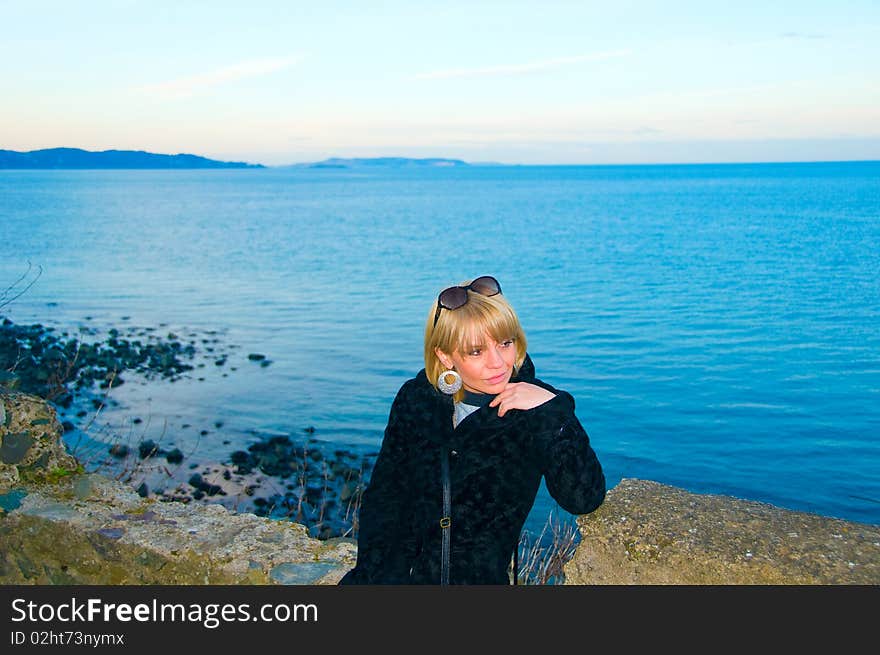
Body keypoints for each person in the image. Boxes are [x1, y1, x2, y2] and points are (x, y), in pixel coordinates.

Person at [339, 275, 605, 585]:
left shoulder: (536, 410)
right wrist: (372, 574)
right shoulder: (415, 398)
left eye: (505, 343)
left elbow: (584, 498)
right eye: (476, 351)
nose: (497, 363)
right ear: (445, 355)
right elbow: (385, 498)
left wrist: (553, 409)